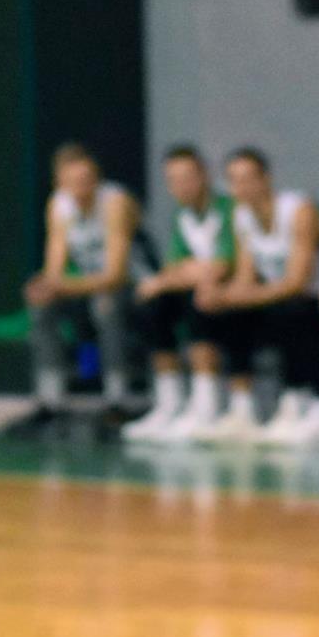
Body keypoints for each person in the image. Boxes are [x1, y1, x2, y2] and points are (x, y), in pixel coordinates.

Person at [194, 145, 319, 446]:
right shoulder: (242, 216)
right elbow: (246, 278)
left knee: (290, 309)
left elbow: (297, 282)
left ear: (266, 179)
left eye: (248, 178)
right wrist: (219, 295)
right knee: (226, 311)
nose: (241, 187)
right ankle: (241, 408)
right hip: (281, 299)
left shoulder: (298, 210)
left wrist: (236, 296)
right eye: (234, 180)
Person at [9, 143, 141, 436]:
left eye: (87, 180)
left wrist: (62, 285)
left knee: (105, 306)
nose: (82, 188)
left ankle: (117, 400)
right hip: (88, 286)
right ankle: (51, 401)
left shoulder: (115, 202)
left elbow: (116, 275)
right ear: (60, 183)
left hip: (135, 287)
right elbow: (55, 267)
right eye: (74, 182)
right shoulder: (59, 205)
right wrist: (47, 285)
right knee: (42, 305)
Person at [124, 144, 234, 443]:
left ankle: (206, 406)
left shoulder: (228, 209)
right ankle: (169, 403)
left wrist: (190, 272)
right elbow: (173, 268)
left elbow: (221, 267)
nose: (181, 186)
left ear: (204, 175)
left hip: (232, 300)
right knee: (153, 305)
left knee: (198, 301)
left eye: (187, 177)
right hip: (193, 291)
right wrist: (188, 272)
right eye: (173, 180)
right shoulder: (182, 217)